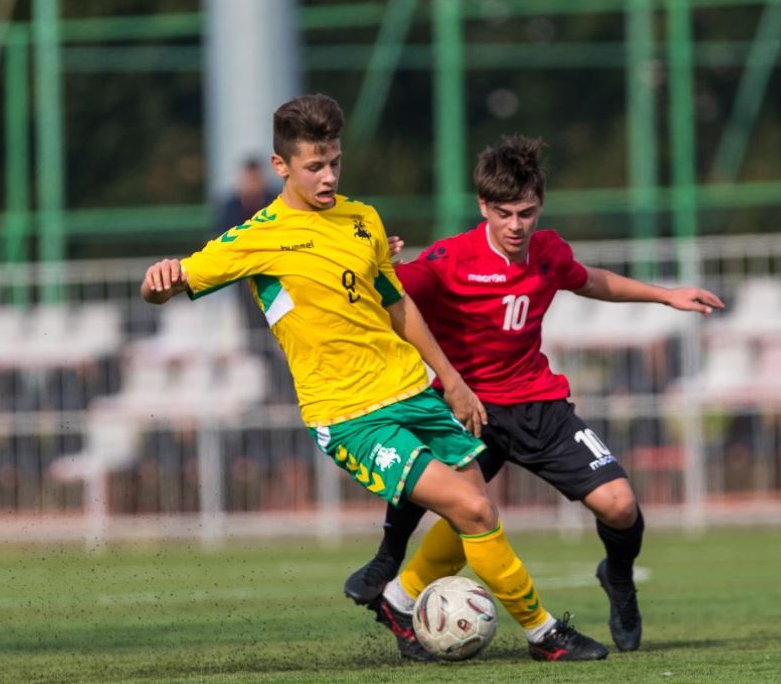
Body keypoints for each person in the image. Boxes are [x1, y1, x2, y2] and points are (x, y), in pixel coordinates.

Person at [142, 94, 608, 663]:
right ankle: (542, 634)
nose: (329, 175)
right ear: (281, 167)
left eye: (335, 161)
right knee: (475, 511)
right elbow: (171, 283)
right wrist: (158, 279)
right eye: (315, 166)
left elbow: (399, 306)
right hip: (348, 415)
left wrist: (452, 380)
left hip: (411, 389)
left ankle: (397, 596)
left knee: (475, 511)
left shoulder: (362, 219)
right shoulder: (256, 237)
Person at [343, 135, 724, 654]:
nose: (516, 225)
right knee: (465, 511)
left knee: (619, 505)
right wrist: (374, 266)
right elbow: (392, 296)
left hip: (539, 405)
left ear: (539, 205)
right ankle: (395, 575)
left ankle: (617, 577)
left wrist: (666, 295)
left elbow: (591, 280)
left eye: (526, 212)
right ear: (483, 207)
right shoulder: (450, 258)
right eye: (504, 213)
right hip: (469, 409)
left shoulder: (547, 252)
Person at [216, 155, 277, 231]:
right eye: (250, 179)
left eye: (255, 179)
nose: (253, 185)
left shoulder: (273, 203)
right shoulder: (231, 207)